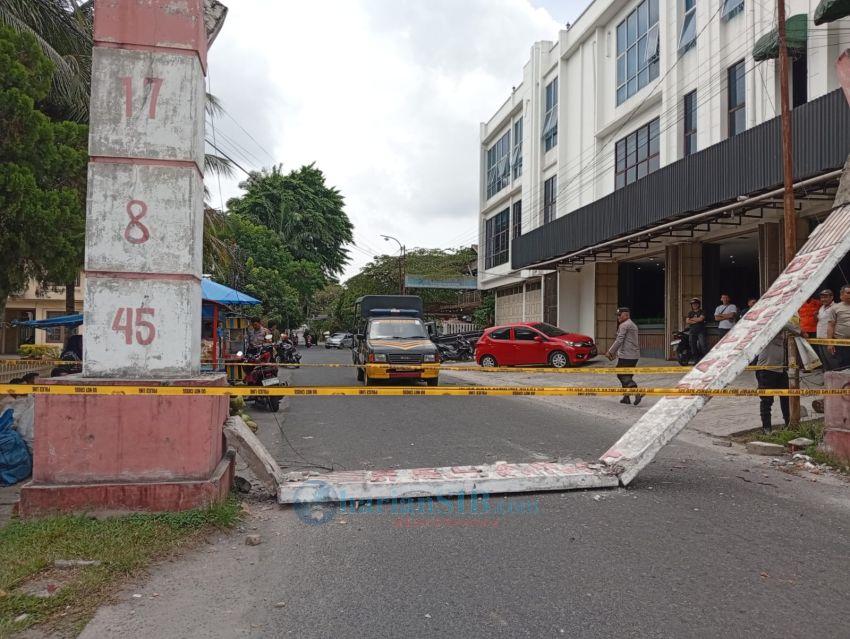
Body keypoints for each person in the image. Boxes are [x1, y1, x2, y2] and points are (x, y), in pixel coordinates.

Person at [755, 319, 800, 433]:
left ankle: (788, 424)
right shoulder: (770, 323)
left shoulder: (783, 331)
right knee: (767, 400)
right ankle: (766, 428)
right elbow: (784, 323)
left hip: (780, 369)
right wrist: (800, 331)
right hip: (766, 369)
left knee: (785, 397)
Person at [605, 307, 643, 406]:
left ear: (626, 315)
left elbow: (619, 340)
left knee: (621, 374)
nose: (618, 317)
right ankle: (626, 398)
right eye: (617, 315)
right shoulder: (632, 324)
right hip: (633, 355)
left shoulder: (624, 325)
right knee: (628, 376)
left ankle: (636, 391)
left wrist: (610, 351)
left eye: (619, 315)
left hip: (626, 355)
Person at [827, 285, 850, 369]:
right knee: (843, 366)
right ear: (842, 294)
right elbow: (830, 326)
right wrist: (830, 342)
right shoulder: (835, 308)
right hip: (841, 343)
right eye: (848, 293)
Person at [816, 289, 838, 370]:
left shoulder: (835, 307)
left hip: (829, 339)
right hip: (820, 338)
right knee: (824, 361)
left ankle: (837, 380)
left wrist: (830, 341)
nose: (823, 299)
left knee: (832, 360)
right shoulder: (821, 307)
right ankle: (828, 379)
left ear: (831, 297)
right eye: (822, 297)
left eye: (825, 297)